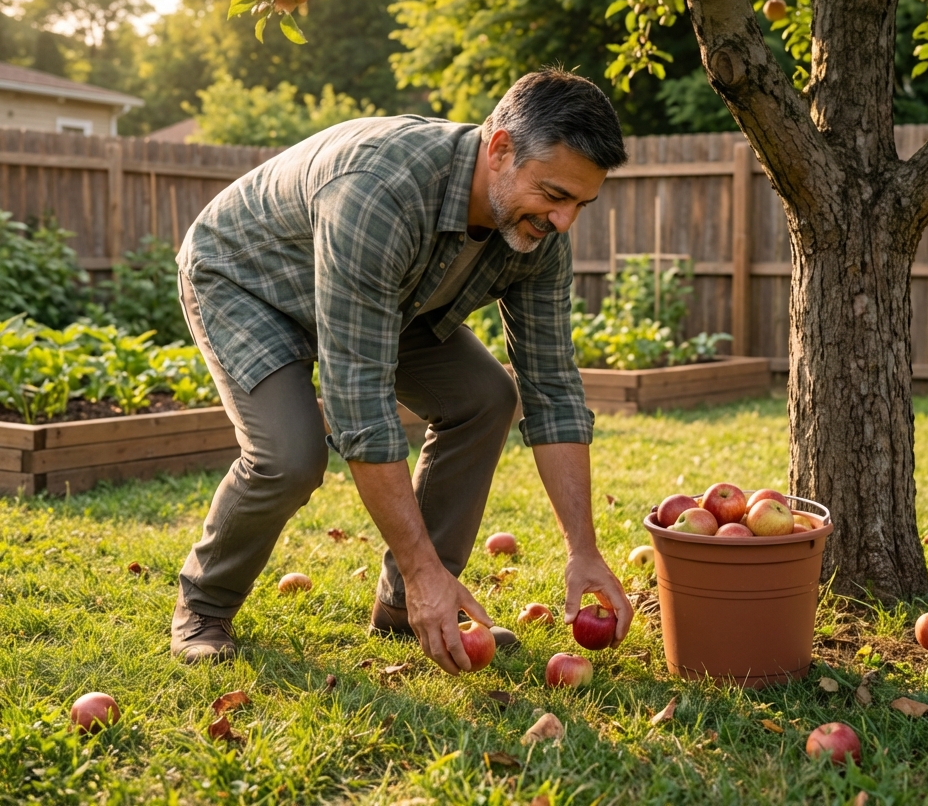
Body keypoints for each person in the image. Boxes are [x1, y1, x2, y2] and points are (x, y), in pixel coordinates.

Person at [171, 68, 635, 672]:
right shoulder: (379, 191)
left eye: (580, 202)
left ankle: (404, 605)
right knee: (289, 455)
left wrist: (584, 549)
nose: (564, 220)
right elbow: (359, 403)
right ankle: (204, 607)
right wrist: (424, 567)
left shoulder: (540, 230)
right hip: (249, 283)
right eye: (554, 195)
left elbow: (552, 388)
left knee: (486, 396)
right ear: (499, 150)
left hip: (386, 296)